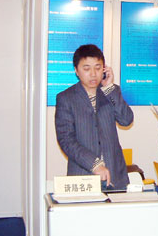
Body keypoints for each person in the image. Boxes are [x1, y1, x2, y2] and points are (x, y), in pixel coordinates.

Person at [55, 44, 133, 191]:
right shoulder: (66, 98)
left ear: (104, 69)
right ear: (76, 70)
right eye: (86, 69)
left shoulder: (110, 91)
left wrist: (109, 88)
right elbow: (66, 140)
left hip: (115, 176)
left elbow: (126, 119)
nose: (93, 74)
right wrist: (94, 164)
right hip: (83, 175)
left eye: (98, 68)